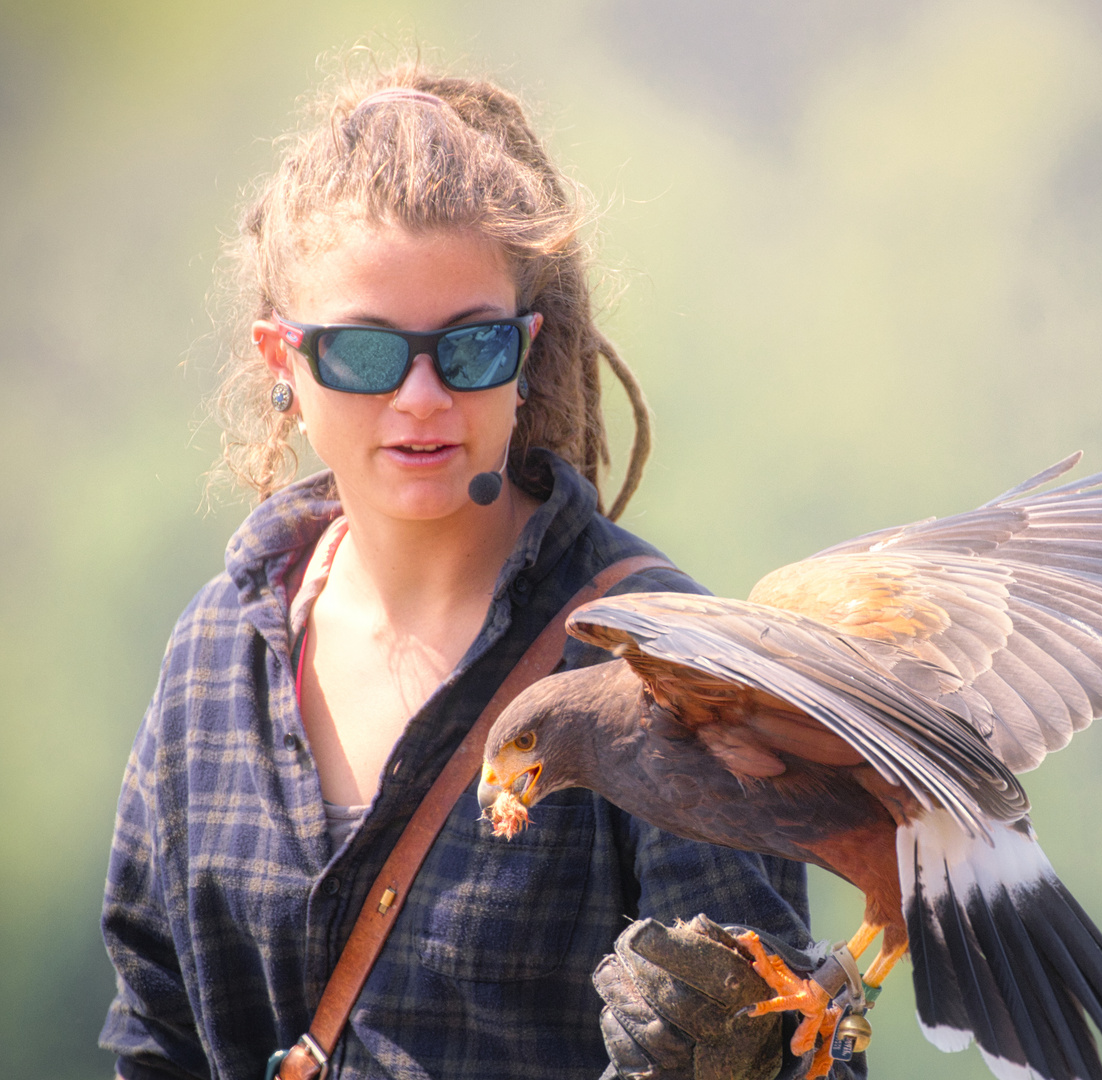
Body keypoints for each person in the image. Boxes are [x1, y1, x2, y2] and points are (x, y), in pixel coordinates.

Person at [99, 64, 832, 1080]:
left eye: (471, 347)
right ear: (282, 361)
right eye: (363, 353)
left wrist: (745, 1056)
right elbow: (155, 1031)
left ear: (524, 353)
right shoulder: (216, 652)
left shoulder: (666, 670)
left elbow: (803, 1052)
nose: (422, 396)